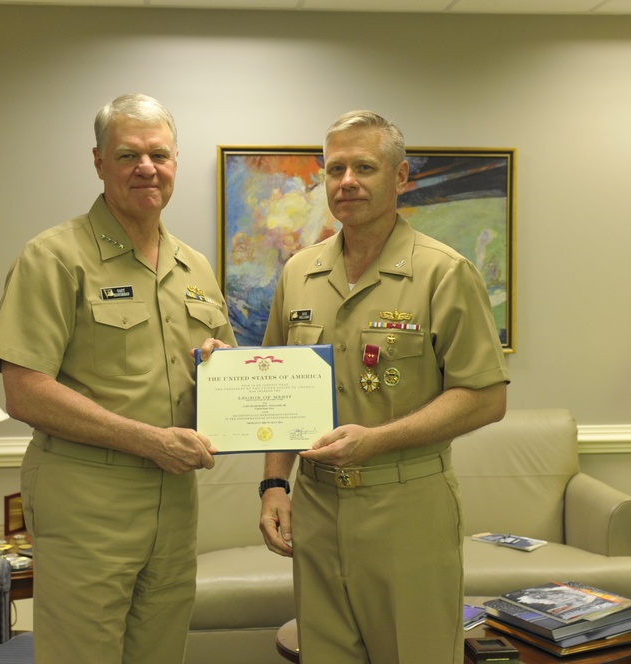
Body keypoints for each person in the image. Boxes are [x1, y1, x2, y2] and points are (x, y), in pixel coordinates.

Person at [0, 93, 236, 664]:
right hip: (86, 502)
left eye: (159, 154)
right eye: (128, 155)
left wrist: (219, 367)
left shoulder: (194, 266)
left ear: (175, 162)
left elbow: (223, 374)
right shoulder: (53, 257)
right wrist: (147, 440)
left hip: (174, 504)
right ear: (99, 162)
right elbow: (24, 390)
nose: (146, 167)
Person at [258, 110, 510, 663]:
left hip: (406, 504)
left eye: (364, 167)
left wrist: (377, 440)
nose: (347, 181)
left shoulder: (444, 273)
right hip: (317, 505)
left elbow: (487, 398)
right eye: (336, 168)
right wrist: (274, 484)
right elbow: (277, 389)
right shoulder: (298, 272)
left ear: (399, 178)